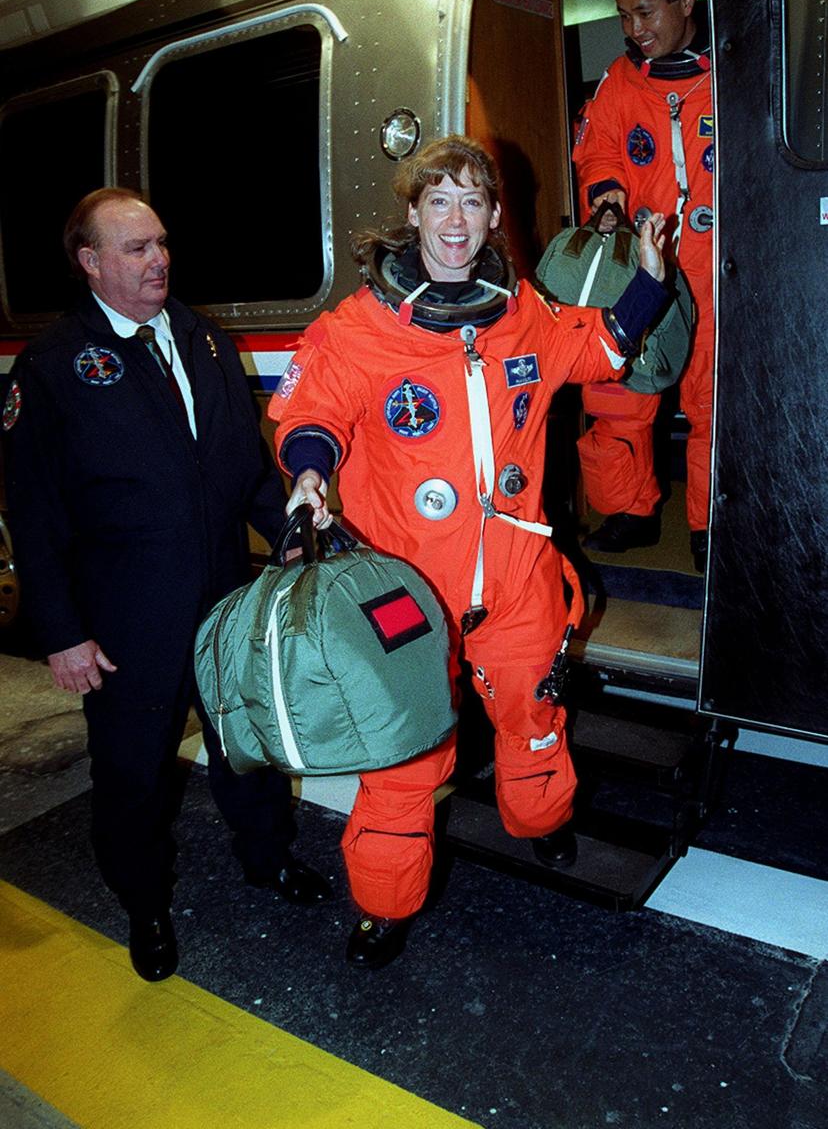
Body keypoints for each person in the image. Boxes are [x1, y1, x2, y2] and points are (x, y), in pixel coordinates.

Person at [268, 135, 670, 969]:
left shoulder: (521, 311)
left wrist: (650, 280)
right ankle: (386, 903)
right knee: (405, 758)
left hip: (516, 580)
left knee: (532, 721)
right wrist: (309, 476)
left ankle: (544, 821)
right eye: (439, 199)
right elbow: (314, 415)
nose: (457, 218)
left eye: (473, 201)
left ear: (492, 219)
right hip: (408, 593)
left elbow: (597, 347)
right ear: (412, 212)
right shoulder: (359, 328)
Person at [2, 188, 331, 983]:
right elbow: (34, 516)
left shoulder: (203, 339)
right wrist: (61, 633)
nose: (159, 261)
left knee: (245, 749)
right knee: (133, 773)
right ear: (90, 263)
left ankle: (266, 858)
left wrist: (288, 532)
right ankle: (144, 904)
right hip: (124, 622)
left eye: (161, 244)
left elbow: (242, 467)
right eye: (137, 249)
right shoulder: (51, 368)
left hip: (223, 604)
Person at [572, 0, 713, 572]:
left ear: (687, 0)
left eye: (646, 12)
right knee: (622, 390)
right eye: (625, 16)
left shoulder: (730, 74)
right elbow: (598, 150)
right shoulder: (620, 85)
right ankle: (632, 511)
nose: (634, 29)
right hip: (643, 265)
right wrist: (606, 201)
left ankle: (711, 522)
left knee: (713, 396)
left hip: (714, 269)